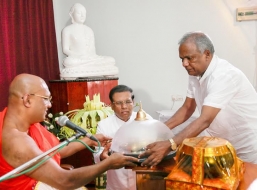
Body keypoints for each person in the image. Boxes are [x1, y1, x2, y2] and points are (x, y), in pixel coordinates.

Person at [0, 74, 138, 190]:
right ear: (27, 100)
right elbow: (64, 181)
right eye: (46, 99)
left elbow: (57, 150)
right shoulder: (16, 141)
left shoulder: (22, 123)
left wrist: (90, 140)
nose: (50, 105)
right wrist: (109, 164)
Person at [140, 31, 257, 167]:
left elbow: (205, 120)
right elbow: (187, 108)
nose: (184, 63)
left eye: (189, 58)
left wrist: (170, 144)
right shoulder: (195, 73)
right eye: (182, 59)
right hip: (222, 143)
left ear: (207, 54)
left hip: (248, 145)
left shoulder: (224, 75)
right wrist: (158, 130)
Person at [93, 85, 153, 190]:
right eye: (119, 103)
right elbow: (98, 153)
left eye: (128, 102)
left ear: (133, 102)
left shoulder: (146, 119)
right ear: (111, 105)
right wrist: (103, 155)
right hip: (117, 183)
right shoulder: (104, 125)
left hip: (144, 180)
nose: (124, 106)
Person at [60, 3, 119, 80]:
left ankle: (97, 68)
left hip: (91, 58)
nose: (82, 16)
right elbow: (65, 50)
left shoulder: (89, 30)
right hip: (78, 59)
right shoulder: (67, 30)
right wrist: (79, 56)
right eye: (79, 13)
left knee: (111, 60)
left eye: (84, 13)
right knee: (69, 62)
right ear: (71, 14)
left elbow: (92, 50)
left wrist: (91, 57)